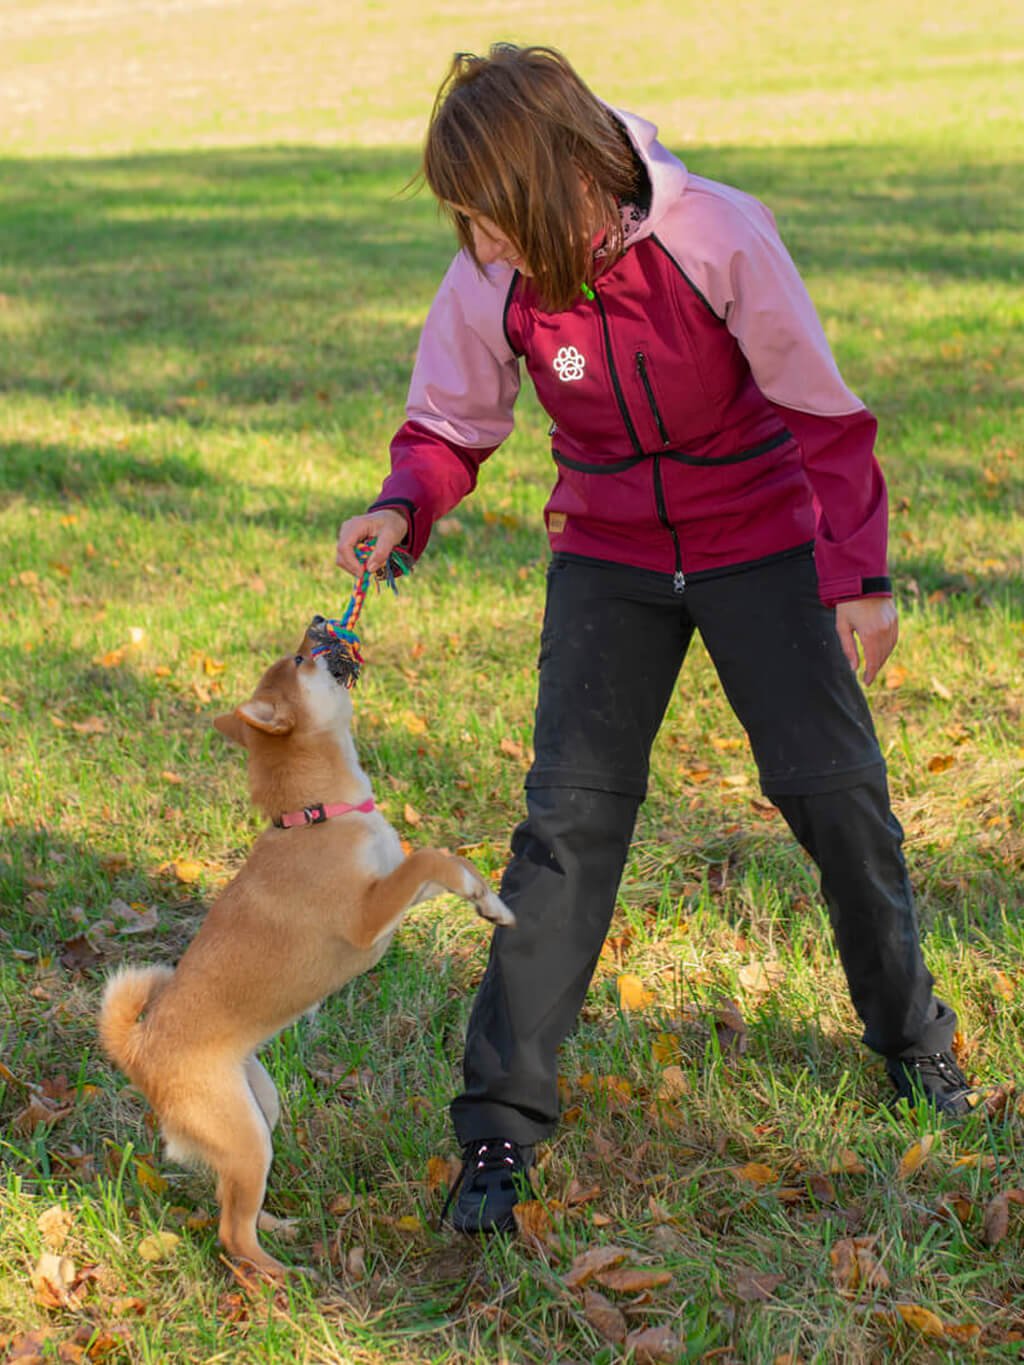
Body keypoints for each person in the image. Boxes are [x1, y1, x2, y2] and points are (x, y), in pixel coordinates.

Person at [336, 43, 980, 1234]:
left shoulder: (715, 235)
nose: (475, 246)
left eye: (487, 217)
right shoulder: (495, 280)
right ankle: (496, 1130)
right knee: (567, 825)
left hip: (760, 541)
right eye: (462, 223)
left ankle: (914, 1045)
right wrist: (401, 503)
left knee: (833, 796)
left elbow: (822, 418)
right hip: (611, 554)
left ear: (553, 181)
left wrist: (861, 578)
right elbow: (448, 420)